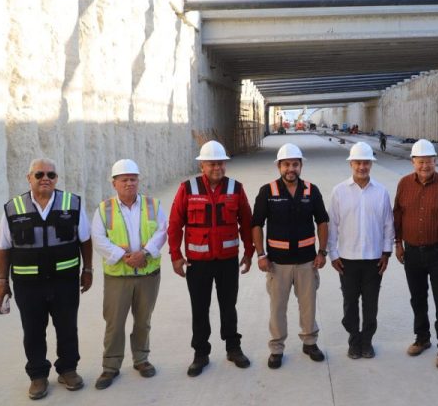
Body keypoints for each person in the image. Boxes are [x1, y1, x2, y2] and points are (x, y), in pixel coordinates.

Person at [0, 158, 93, 400]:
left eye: (50, 174)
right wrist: (1, 281)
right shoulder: (13, 208)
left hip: (65, 281)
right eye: (39, 175)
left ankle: (68, 369)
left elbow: (85, 240)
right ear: (29, 178)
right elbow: (3, 247)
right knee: (34, 330)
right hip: (28, 286)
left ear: (56, 178)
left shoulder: (72, 203)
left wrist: (87, 270)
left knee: (67, 327)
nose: (45, 178)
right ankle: (38, 375)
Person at [167, 141, 255, 377]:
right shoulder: (188, 188)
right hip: (198, 262)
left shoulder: (236, 188)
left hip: (227, 261)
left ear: (225, 164)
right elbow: (175, 224)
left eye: (220, 163)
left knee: (229, 306)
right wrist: (176, 255)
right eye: (211, 163)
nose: (217, 167)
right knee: (200, 308)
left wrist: (249, 252)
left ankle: (233, 348)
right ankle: (201, 353)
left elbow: (246, 222)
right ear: (202, 165)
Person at [91, 159, 167, 389]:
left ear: (138, 180)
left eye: (133, 179)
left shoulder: (153, 205)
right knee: (115, 322)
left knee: (143, 320)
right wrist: (123, 256)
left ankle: (141, 359)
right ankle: (110, 366)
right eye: (124, 180)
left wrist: (144, 253)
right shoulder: (104, 209)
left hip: (147, 273)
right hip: (118, 276)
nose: (129, 183)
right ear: (114, 183)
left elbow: (162, 231)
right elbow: (98, 238)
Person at [252, 143, 329, 369]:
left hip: (307, 261)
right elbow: (256, 224)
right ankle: (276, 348)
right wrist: (260, 255)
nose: (291, 169)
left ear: (301, 166)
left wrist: (322, 252)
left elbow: (322, 221)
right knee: (278, 308)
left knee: (308, 305)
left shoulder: (311, 191)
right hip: (277, 264)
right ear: (279, 166)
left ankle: (310, 342)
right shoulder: (268, 191)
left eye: (295, 164)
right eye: (286, 164)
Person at [394, 138, 438, 370]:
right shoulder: (404, 184)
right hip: (412, 252)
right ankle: (422, 338)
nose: (425, 166)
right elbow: (398, 216)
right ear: (413, 162)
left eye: (429, 161)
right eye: (420, 161)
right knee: (417, 298)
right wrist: (398, 244)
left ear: (436, 161)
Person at [328, 142, 394, 359]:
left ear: (371, 164)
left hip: (374, 259)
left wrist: (386, 253)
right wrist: (334, 254)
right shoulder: (339, 192)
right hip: (347, 259)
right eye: (358, 162)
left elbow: (388, 225)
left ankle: (367, 341)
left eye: (366, 162)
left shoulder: (381, 192)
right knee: (350, 304)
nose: (362, 166)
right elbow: (332, 226)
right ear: (351, 164)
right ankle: (353, 340)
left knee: (371, 304)